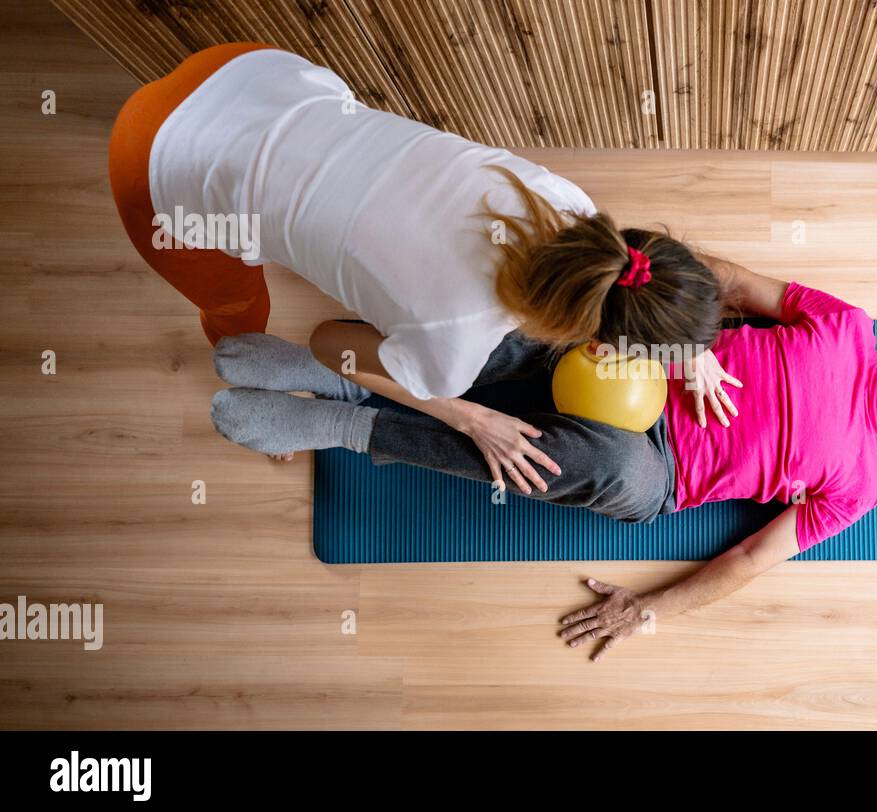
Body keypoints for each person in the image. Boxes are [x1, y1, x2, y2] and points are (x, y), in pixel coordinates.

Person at [209, 262, 877, 661]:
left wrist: (650, 610)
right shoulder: (847, 326)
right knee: (521, 347)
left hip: (657, 465)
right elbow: (719, 277)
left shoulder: (860, 484)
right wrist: (690, 346)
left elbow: (756, 554)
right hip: (650, 361)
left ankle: (341, 424)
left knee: (560, 463)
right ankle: (330, 370)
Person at [108, 43, 740, 490]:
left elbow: (634, 273)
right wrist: (464, 413)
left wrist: (681, 333)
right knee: (235, 305)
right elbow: (331, 342)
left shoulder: (566, 200)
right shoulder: (452, 351)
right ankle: (257, 360)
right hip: (160, 163)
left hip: (254, 73)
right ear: (597, 343)